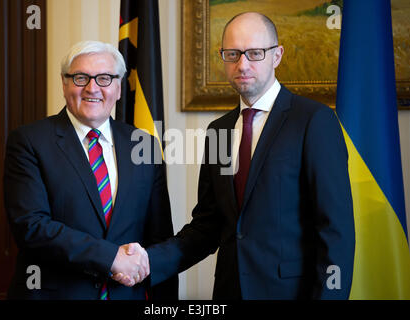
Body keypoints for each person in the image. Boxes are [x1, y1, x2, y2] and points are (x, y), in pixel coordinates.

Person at [121, 12, 355, 299]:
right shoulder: (217, 130)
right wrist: (148, 261)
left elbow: (335, 231)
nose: (242, 64)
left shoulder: (314, 121)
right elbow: (208, 225)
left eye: (255, 53)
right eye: (232, 54)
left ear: (277, 55)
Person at [4, 40, 177, 300]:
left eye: (105, 78)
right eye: (80, 77)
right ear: (64, 83)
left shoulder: (144, 145)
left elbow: (159, 235)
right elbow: (31, 227)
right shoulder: (29, 141)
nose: (92, 88)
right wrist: (111, 258)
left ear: (119, 87)